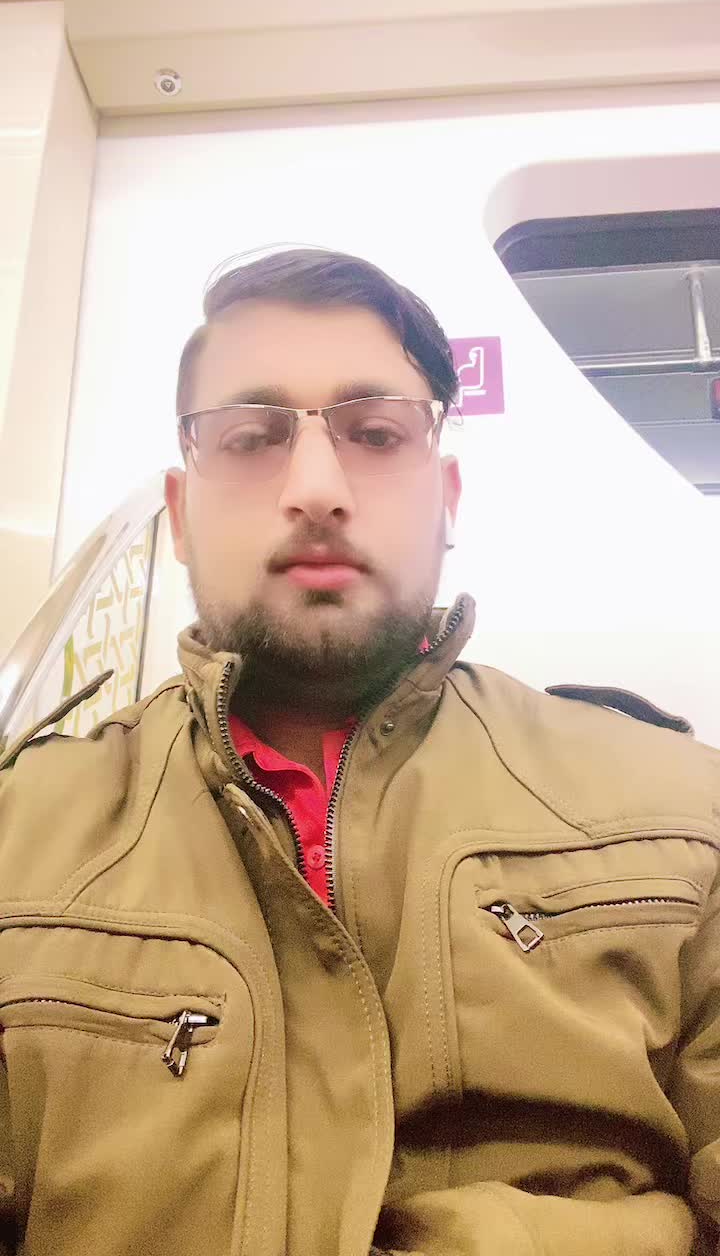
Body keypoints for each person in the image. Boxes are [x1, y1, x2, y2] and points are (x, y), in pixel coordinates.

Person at [0, 247, 718, 1256]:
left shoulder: (688, 813)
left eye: (376, 433)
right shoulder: (17, 836)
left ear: (448, 498)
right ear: (182, 514)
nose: (316, 487)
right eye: (251, 437)